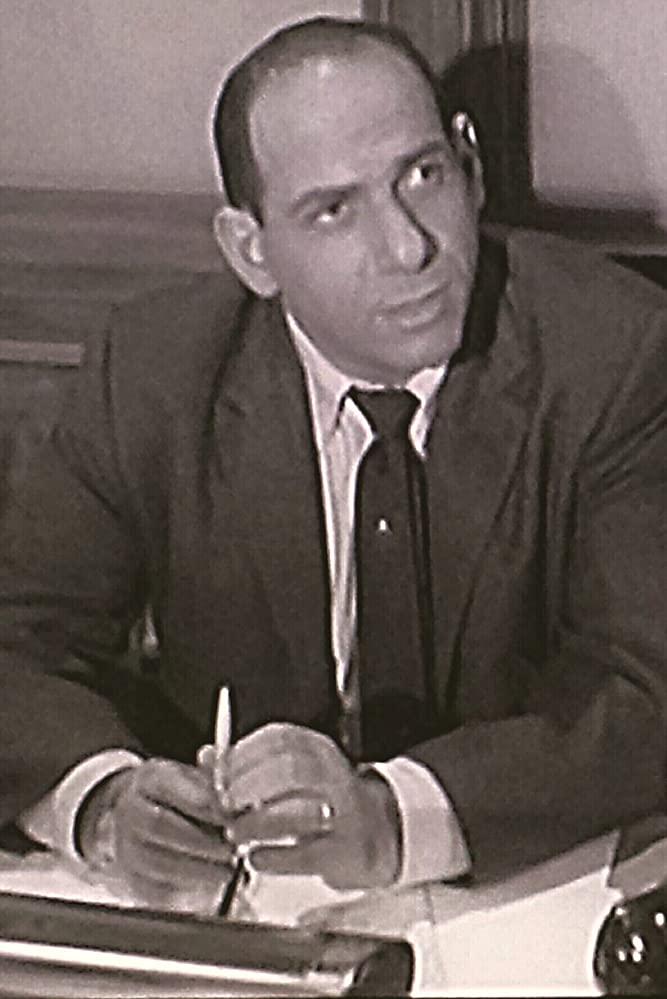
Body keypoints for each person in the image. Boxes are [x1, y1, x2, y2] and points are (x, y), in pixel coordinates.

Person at [0, 16, 666, 913]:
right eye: (333, 210)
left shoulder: (613, 352)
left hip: (524, 897)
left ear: (469, 166)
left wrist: (392, 817)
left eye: (422, 175)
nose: (408, 248)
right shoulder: (152, 373)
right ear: (252, 251)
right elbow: (18, 641)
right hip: (252, 919)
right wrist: (105, 802)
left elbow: (645, 686)